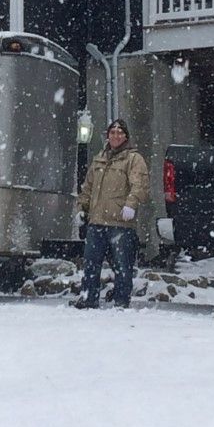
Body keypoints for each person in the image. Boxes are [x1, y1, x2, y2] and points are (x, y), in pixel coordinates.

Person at [74, 118, 150, 309]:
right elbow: (88, 188)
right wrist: (82, 208)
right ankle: (88, 297)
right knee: (91, 264)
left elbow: (139, 185)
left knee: (122, 266)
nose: (116, 136)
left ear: (126, 137)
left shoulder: (133, 159)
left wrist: (131, 204)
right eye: (112, 132)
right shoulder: (99, 159)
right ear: (108, 136)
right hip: (97, 221)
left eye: (120, 133)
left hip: (120, 223)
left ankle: (121, 301)